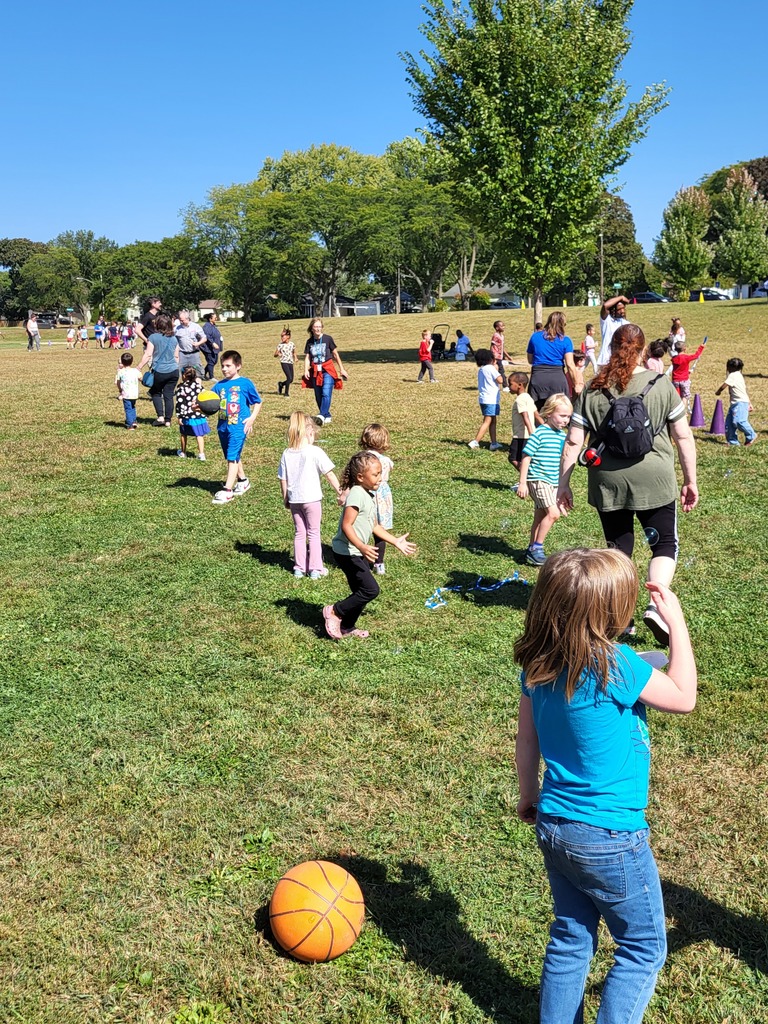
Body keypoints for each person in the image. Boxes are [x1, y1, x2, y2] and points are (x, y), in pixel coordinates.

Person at [514, 547, 697, 1024]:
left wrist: (528, 795)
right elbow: (683, 697)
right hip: (611, 836)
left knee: (571, 936)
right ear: (607, 611)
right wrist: (677, 624)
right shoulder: (616, 664)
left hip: (554, 823)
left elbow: (526, 740)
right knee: (642, 948)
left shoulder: (538, 665)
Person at [557, 323, 698, 645]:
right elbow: (683, 436)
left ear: (611, 348)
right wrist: (690, 480)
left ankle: (619, 619)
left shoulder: (592, 389)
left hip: (609, 483)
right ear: (644, 349)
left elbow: (572, 443)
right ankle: (656, 607)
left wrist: (563, 485)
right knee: (663, 545)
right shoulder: (661, 385)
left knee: (618, 550)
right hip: (656, 478)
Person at [324, 451, 416, 640]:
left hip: (356, 551)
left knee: (361, 592)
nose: (380, 478)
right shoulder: (357, 494)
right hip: (347, 552)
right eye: (375, 474)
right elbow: (346, 525)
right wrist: (362, 546)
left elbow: (374, 526)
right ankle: (335, 611)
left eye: (380, 473)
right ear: (360, 477)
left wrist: (395, 540)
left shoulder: (368, 494)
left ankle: (347, 627)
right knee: (370, 590)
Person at [278, 412, 341, 579]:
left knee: (300, 532)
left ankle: (299, 568)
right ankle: (315, 568)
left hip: (295, 499)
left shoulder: (287, 453)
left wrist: (286, 498)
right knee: (313, 532)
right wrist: (340, 491)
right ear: (310, 432)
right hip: (312, 499)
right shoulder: (315, 451)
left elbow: (283, 479)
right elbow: (329, 474)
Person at [517, 393, 572, 565]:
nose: (566, 420)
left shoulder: (562, 436)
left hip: (552, 482)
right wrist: (523, 482)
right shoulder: (540, 433)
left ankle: (530, 549)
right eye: (562, 416)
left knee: (540, 518)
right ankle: (537, 548)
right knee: (553, 514)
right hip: (538, 479)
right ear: (548, 413)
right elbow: (526, 457)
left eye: (569, 417)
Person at [209, 349, 262, 505]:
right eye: (222, 366)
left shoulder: (245, 383)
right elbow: (211, 403)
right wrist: (198, 406)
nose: (224, 369)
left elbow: (257, 402)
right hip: (223, 427)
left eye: (228, 366)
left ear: (238, 366)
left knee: (232, 457)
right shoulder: (219, 386)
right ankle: (243, 481)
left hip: (239, 427)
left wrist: (251, 418)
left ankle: (227, 491)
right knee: (232, 455)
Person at [360, 423, 394, 575]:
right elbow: (390, 467)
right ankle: (379, 563)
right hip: (383, 496)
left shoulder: (361, 459)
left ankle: (361, 559)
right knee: (380, 531)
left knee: (363, 528)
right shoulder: (385, 460)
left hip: (366, 493)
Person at [135, 313, 180, 427]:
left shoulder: (153, 337)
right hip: (173, 371)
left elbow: (148, 354)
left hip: (160, 371)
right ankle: (168, 420)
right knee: (169, 395)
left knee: (155, 392)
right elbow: (176, 357)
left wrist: (139, 366)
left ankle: (160, 417)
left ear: (157, 325)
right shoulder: (174, 338)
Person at [302, 317, 349, 425]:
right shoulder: (309, 342)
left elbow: (335, 354)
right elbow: (308, 357)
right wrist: (306, 370)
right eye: (315, 327)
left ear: (322, 328)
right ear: (312, 329)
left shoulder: (328, 339)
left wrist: (342, 369)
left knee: (326, 392)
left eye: (319, 327)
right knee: (318, 395)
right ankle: (326, 414)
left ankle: (321, 415)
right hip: (315, 370)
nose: (318, 329)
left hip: (327, 369)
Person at [526, 311, 576, 410]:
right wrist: (576, 383)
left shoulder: (535, 336)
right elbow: (570, 364)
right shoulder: (566, 340)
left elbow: (530, 360)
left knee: (537, 411)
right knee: (558, 410)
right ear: (563, 324)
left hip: (538, 377)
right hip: (557, 378)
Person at [716, 358, 757, 447]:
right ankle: (733, 442)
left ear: (731, 367)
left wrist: (718, 391)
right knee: (730, 424)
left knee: (739, 421)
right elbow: (744, 391)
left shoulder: (733, 375)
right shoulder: (739, 375)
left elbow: (725, 384)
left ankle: (751, 435)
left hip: (740, 403)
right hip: (736, 403)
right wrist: (749, 403)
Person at [468, 349, 504, 451]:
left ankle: (494, 443)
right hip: (491, 399)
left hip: (484, 399)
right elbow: (500, 380)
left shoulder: (482, 369)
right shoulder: (491, 368)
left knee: (493, 420)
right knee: (487, 421)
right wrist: (496, 368)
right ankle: (475, 442)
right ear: (490, 359)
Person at [175, 365, 210, 460]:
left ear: (183, 376)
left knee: (183, 434)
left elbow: (179, 404)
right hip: (199, 415)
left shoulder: (181, 388)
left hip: (186, 416)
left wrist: (179, 417)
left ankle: (183, 452)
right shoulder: (199, 387)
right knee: (199, 435)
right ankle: (201, 454)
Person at [508, 371, 536, 471]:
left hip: (521, 436)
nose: (509, 386)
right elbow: (536, 415)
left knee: (513, 458)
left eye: (510, 384)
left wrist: (532, 436)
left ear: (519, 385)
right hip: (528, 435)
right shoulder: (528, 397)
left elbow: (526, 417)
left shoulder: (520, 400)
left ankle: (527, 478)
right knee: (524, 459)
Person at [670, 338, 705, 407]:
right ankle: (683, 411)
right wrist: (701, 347)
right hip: (684, 380)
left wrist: (687, 371)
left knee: (677, 396)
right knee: (685, 396)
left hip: (675, 380)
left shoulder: (674, 358)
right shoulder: (686, 357)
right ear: (684, 349)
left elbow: (678, 368)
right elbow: (696, 355)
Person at [597, 294, 629, 366]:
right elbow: (605, 306)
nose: (622, 311)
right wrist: (621, 297)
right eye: (619, 309)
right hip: (606, 360)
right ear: (613, 310)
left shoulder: (626, 323)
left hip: (619, 360)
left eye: (623, 308)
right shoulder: (607, 321)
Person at [175, 310, 206, 375]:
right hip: (182, 354)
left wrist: (198, 343)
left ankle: (197, 384)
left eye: (182, 320)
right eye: (180, 320)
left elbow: (204, 338)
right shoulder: (177, 328)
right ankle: (185, 384)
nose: (181, 322)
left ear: (187, 318)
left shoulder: (196, 326)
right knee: (181, 372)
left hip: (194, 354)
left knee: (198, 372)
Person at [115, 351, 140, 429]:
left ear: (122, 362)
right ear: (132, 361)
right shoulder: (136, 371)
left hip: (126, 393)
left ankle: (130, 425)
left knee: (128, 409)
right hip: (135, 393)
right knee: (133, 407)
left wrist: (120, 390)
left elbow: (118, 382)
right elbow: (141, 378)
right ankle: (134, 421)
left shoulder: (121, 372)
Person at [274, 326, 296, 396]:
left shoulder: (292, 344)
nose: (282, 337)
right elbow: (275, 354)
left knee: (291, 380)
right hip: (284, 362)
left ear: (288, 336)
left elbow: (294, 352)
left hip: (290, 362)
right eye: (281, 336)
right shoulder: (280, 345)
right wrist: (278, 354)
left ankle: (281, 384)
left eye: (283, 336)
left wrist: (295, 357)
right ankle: (286, 393)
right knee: (289, 378)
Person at [201, 312, 223, 380]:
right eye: (215, 318)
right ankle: (211, 377)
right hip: (208, 347)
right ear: (210, 319)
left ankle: (203, 373)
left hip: (214, 348)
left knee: (214, 361)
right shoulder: (207, 327)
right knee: (211, 361)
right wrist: (213, 343)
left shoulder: (213, 325)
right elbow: (207, 336)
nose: (216, 319)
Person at [491, 319, 511, 390]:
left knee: (499, 371)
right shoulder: (495, 335)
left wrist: (507, 356)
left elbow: (502, 347)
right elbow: (492, 346)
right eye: (502, 326)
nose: (503, 327)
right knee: (501, 371)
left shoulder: (502, 336)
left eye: (503, 326)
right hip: (496, 356)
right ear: (497, 328)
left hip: (500, 356)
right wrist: (493, 357)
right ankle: (505, 386)